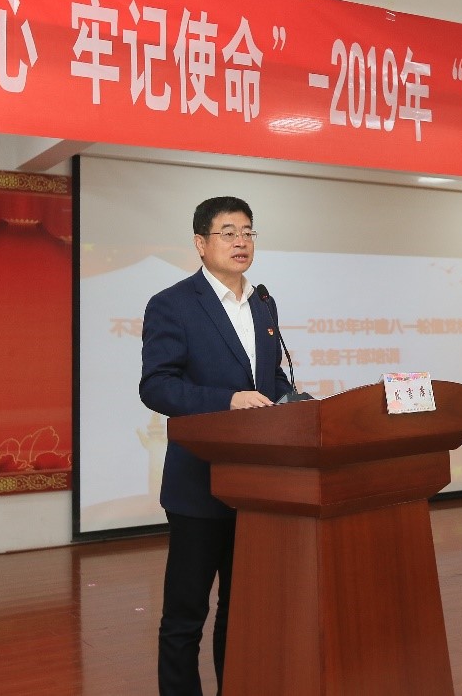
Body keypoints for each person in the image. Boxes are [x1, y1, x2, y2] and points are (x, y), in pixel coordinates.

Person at [140, 196, 293, 696]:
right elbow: (157, 386)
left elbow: (270, 379)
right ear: (201, 243)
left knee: (240, 609)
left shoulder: (263, 303)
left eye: (248, 232)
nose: (241, 242)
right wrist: (226, 400)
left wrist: (295, 400)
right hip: (199, 483)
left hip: (255, 484)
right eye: (228, 232)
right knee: (185, 614)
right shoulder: (173, 304)